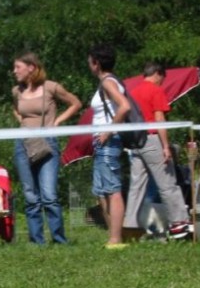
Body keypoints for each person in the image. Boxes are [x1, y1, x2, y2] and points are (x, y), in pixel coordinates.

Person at [12, 52, 81, 244]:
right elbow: (16, 110)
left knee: (49, 195)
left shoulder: (51, 87)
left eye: (18, 67)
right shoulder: (16, 91)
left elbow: (75, 103)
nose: (14, 71)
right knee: (30, 195)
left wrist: (57, 121)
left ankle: (59, 239)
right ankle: (37, 241)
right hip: (22, 144)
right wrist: (23, 124)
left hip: (47, 143)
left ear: (31, 67)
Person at [123, 63, 192, 239]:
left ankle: (130, 226)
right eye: (162, 78)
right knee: (167, 183)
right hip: (152, 139)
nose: (162, 81)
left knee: (136, 187)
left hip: (136, 142)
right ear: (158, 74)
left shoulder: (133, 92)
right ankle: (179, 223)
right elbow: (159, 119)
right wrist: (166, 146)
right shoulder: (155, 90)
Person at [87, 44, 131, 249]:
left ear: (96, 63)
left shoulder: (108, 82)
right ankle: (112, 235)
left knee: (112, 190)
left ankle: (116, 239)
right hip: (100, 142)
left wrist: (108, 131)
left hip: (108, 141)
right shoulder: (107, 82)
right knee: (100, 190)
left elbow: (124, 106)